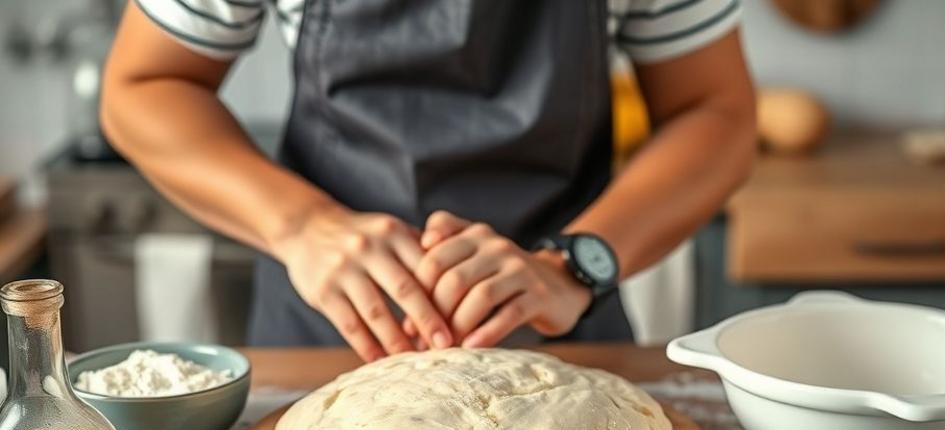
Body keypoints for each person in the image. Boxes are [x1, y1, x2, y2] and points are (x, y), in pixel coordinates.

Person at [101, 0, 755, 361]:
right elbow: (144, 86)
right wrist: (300, 225)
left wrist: (571, 266)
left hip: (560, 336)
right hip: (326, 341)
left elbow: (715, 112)